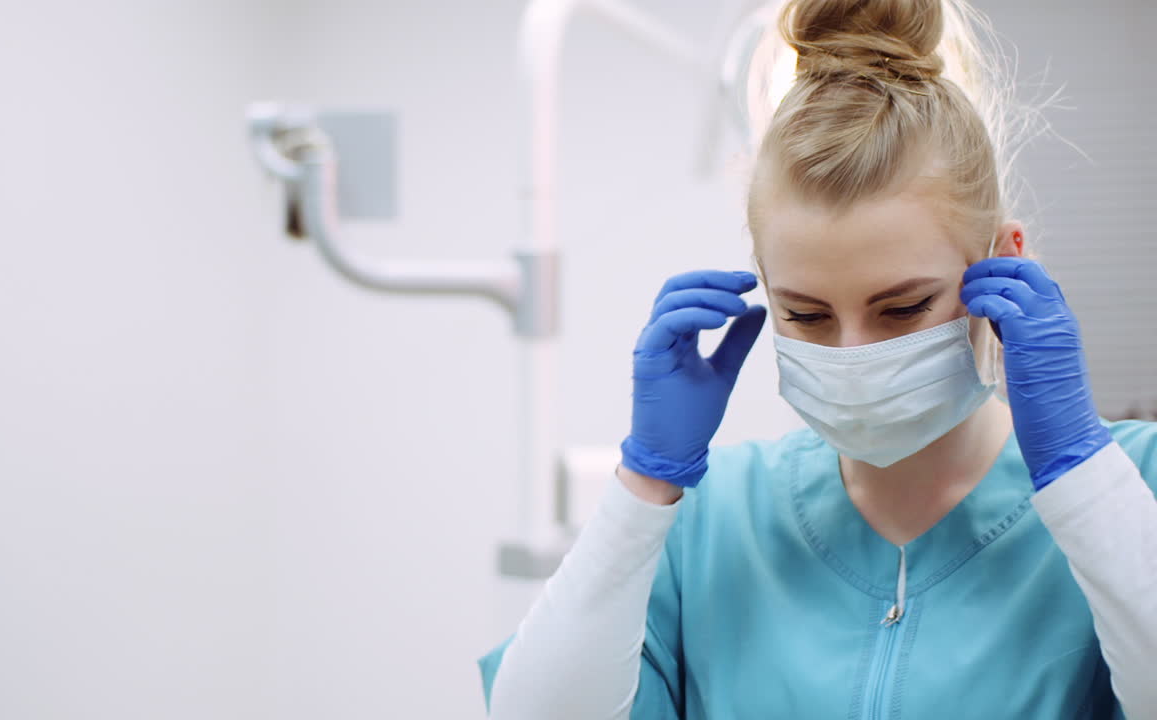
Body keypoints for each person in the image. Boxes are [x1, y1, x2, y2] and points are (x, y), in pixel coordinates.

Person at [475, 0, 1157, 717]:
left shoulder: (1133, 484)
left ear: (1001, 265)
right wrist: (643, 482)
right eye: (806, 313)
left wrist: (1084, 478)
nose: (855, 353)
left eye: (903, 308)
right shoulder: (708, 526)